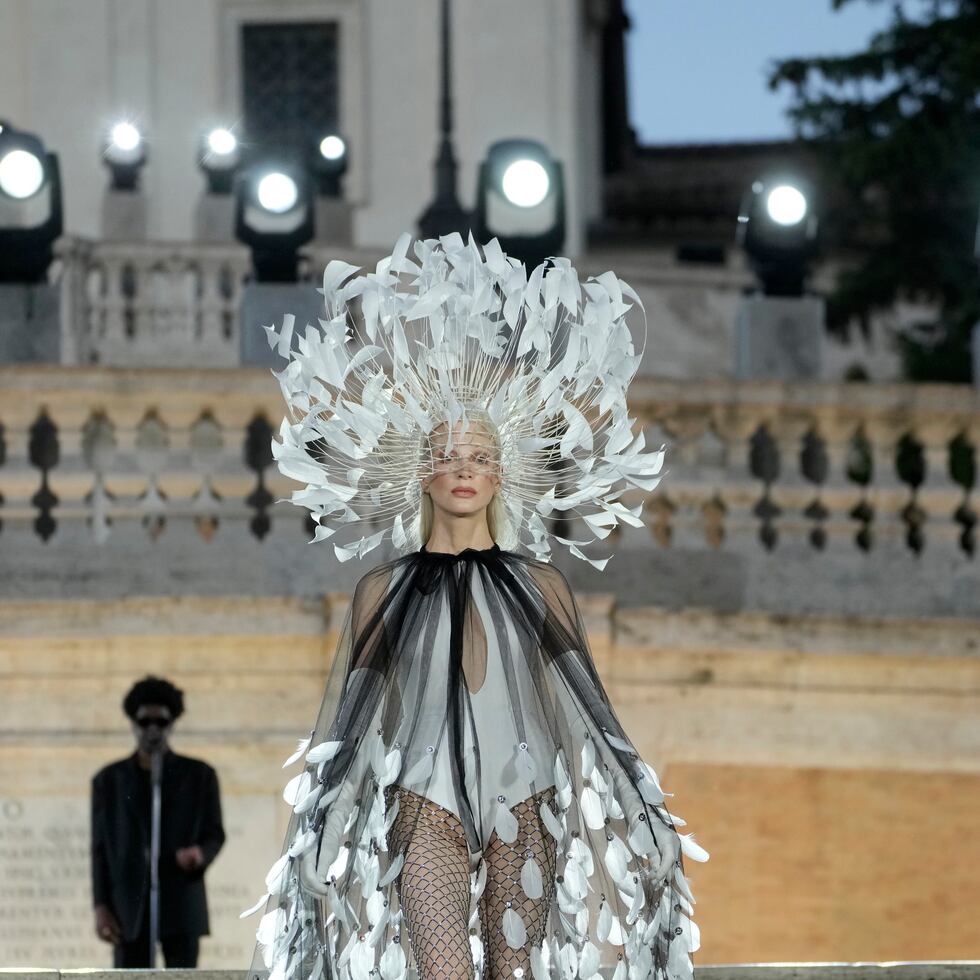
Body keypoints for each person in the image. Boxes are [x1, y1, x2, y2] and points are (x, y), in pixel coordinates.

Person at [247, 235, 707, 980]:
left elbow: (591, 709)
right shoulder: (383, 590)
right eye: (449, 457)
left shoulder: (541, 585)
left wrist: (642, 806)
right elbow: (351, 716)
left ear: (502, 475)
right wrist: (320, 819)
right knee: (442, 971)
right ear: (421, 472)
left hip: (525, 797)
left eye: (481, 458)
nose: (464, 471)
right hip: (421, 799)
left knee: (511, 973)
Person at [91, 675, 226, 968]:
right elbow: (99, 848)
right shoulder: (108, 780)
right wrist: (101, 906)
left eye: (161, 722)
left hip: (181, 899)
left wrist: (200, 854)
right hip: (128, 906)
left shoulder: (200, 775)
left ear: (172, 724)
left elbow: (215, 833)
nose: (152, 729)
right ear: (133, 723)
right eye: (144, 721)